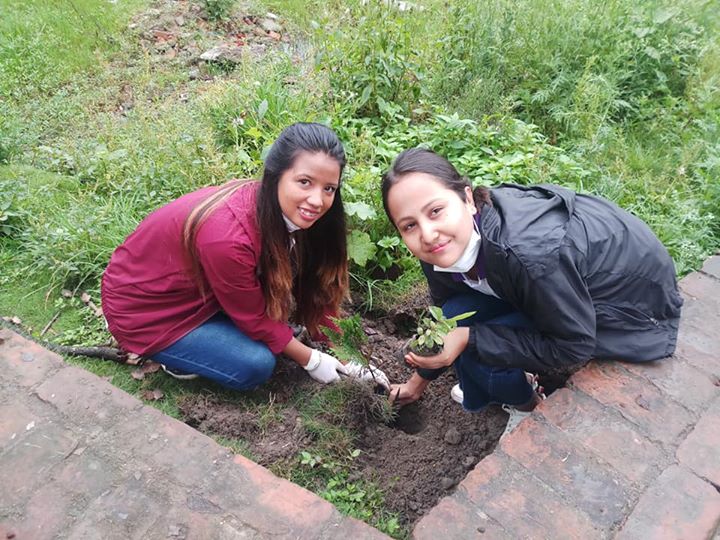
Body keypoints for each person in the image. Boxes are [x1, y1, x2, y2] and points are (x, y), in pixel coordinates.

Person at [382, 148, 682, 428]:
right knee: (455, 314)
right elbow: (447, 322)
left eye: (435, 211)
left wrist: (470, 339)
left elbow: (574, 344)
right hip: (558, 283)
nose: (428, 233)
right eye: (409, 225)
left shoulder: (530, 256)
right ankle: (496, 379)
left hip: (631, 300)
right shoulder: (438, 248)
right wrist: (416, 383)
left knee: (476, 354)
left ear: (468, 199)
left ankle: (530, 408)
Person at [102, 123, 389, 390]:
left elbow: (316, 284)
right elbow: (254, 320)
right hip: (149, 309)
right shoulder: (229, 238)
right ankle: (175, 356)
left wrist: (348, 355)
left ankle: (220, 323)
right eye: (304, 182)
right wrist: (312, 360)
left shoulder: (286, 212)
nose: (317, 200)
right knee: (255, 364)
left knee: (267, 331)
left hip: (201, 290)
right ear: (275, 174)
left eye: (329, 189)